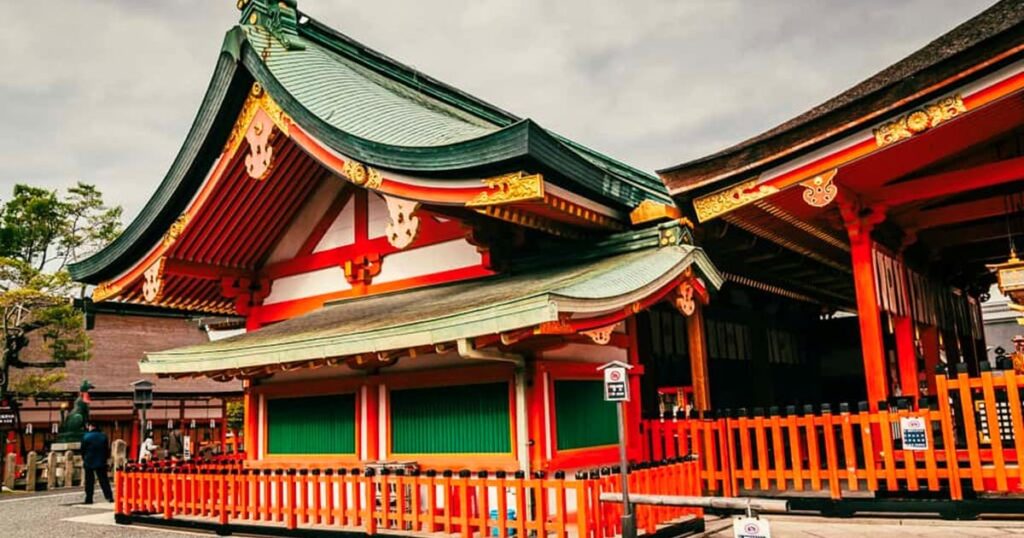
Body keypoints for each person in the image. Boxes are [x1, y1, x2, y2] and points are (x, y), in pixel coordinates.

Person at [80, 422, 113, 504]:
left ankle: (89, 498)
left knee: (89, 481)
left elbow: (82, 450)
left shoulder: (86, 436)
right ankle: (109, 496)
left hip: (89, 460)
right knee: (104, 480)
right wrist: (106, 459)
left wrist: (84, 458)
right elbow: (106, 450)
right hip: (101, 460)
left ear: (90, 426)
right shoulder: (103, 436)